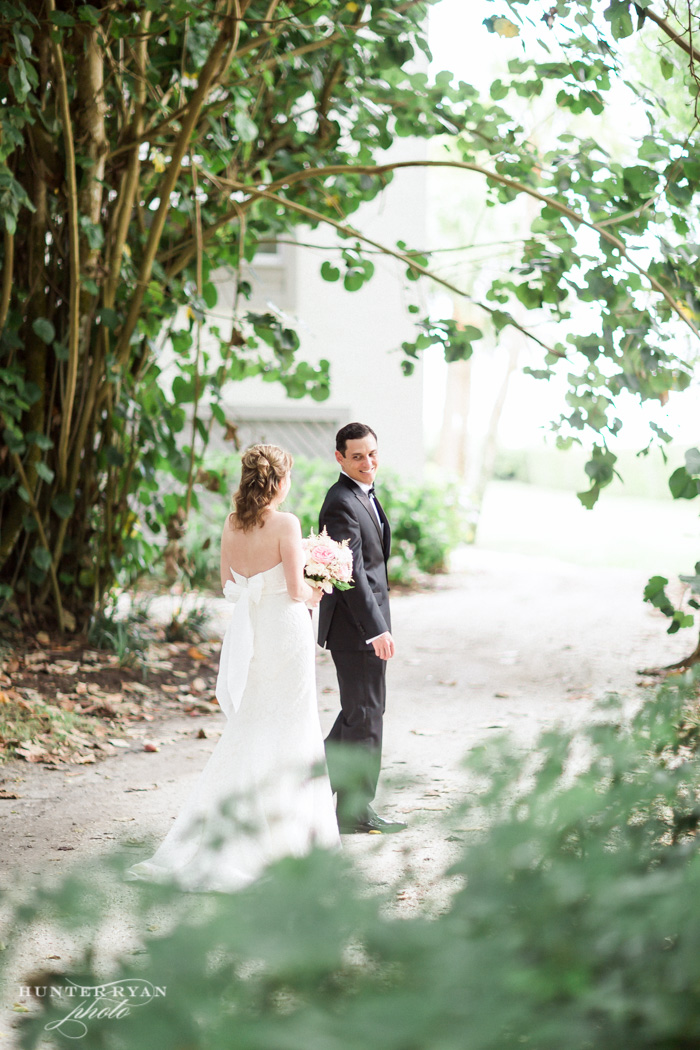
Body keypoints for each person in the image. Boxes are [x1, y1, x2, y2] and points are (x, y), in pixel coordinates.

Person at [127, 444, 340, 892]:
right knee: (294, 723)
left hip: (252, 630)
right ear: (278, 481)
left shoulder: (231, 523)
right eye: (289, 478)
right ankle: (289, 839)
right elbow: (296, 590)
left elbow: (228, 584)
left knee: (254, 719)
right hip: (284, 629)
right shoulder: (286, 523)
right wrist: (319, 590)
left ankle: (229, 829)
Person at [318, 422, 407, 835]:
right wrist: (376, 629)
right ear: (340, 458)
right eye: (357, 456)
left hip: (364, 625)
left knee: (361, 713)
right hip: (355, 629)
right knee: (367, 714)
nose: (368, 462)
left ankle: (313, 787)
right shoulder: (341, 501)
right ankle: (352, 810)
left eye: (372, 453)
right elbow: (349, 573)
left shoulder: (362, 494)